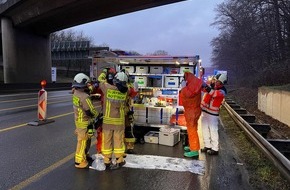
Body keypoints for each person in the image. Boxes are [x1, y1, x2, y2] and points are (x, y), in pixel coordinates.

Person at [98, 69, 129, 169]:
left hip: (108, 121)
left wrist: (104, 72)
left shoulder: (107, 88)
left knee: (107, 140)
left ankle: (107, 160)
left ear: (115, 81)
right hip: (119, 121)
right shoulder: (125, 92)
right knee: (118, 141)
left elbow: (100, 80)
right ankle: (119, 160)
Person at [72, 73, 98, 169]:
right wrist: (97, 115)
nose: (88, 85)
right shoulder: (84, 97)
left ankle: (85, 155)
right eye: (87, 84)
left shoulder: (75, 93)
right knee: (82, 141)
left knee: (87, 139)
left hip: (78, 120)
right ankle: (79, 161)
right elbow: (90, 111)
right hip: (84, 121)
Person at [200, 73, 227, 155]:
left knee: (213, 130)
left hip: (213, 114)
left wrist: (208, 88)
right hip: (205, 111)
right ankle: (207, 145)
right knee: (204, 129)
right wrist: (203, 85)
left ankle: (215, 149)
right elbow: (204, 90)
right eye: (215, 80)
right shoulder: (213, 87)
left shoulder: (222, 91)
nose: (215, 82)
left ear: (221, 82)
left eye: (217, 81)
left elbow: (214, 94)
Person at [179, 71, 203, 158]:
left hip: (191, 111)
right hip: (193, 111)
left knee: (192, 131)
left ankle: (194, 150)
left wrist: (184, 88)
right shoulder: (194, 84)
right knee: (192, 130)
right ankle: (192, 146)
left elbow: (188, 95)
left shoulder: (191, 86)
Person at [121, 69, 138, 154]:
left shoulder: (115, 86)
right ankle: (129, 146)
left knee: (120, 131)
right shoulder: (129, 87)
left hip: (118, 112)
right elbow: (134, 94)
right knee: (128, 129)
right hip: (126, 111)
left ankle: (121, 148)